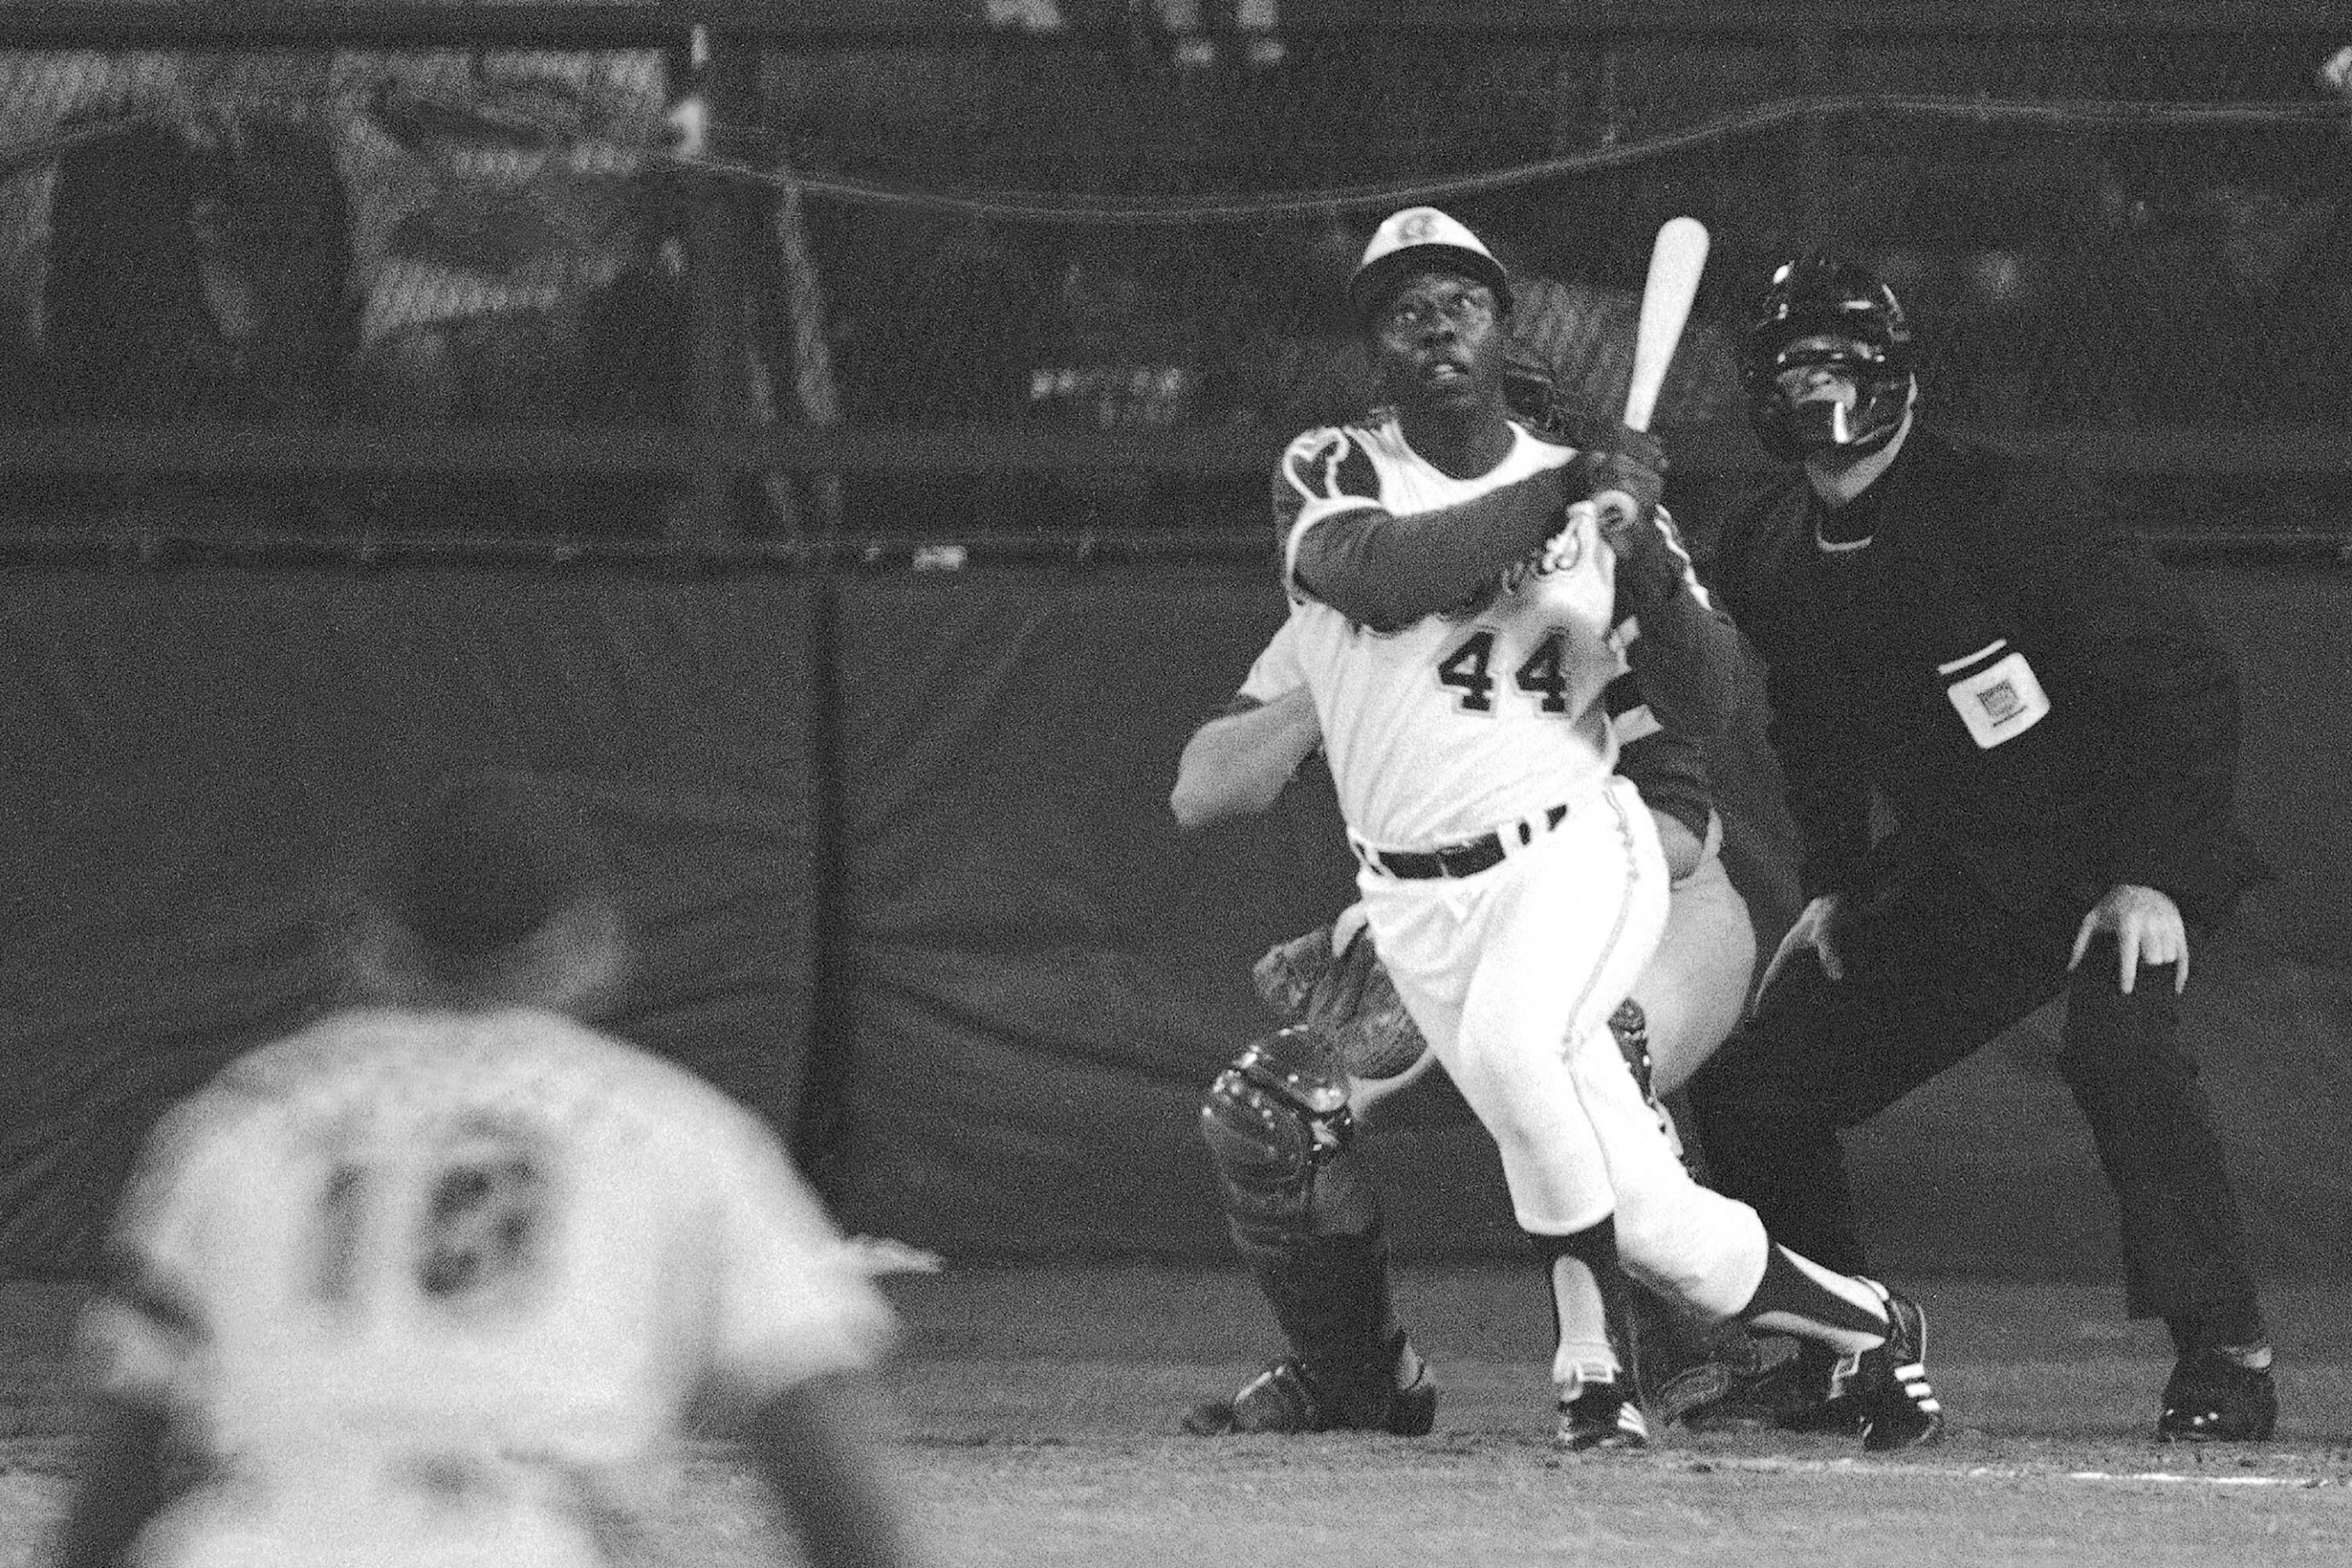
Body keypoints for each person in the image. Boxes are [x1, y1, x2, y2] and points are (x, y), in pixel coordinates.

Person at [1182, 203, 1943, 1453]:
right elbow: (1375, 586)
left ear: (1507, 334)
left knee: (1526, 1048)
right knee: (1648, 1215)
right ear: (1377, 357)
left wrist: (1641, 564)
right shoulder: (1340, 474)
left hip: (1585, 856)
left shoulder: (1603, 522)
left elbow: (1708, 717)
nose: (1441, 333)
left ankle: (1593, 1374)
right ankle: (1868, 1323)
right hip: (1423, 902)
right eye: (1407, 312)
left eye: (1465, 307)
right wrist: (1558, 496)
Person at [1686, 253, 2278, 1443]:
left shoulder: (2014, 507)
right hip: (1972, 867)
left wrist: (2153, 874)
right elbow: (1809, 721)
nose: (1816, 385)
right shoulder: (1761, 542)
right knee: (1756, 1083)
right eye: (1793, 363)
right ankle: (1833, 1348)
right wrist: (1840, 887)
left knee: (2121, 1048)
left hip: (2120, 841)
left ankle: (2229, 1353)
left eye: (1840, 361)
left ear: (1897, 376)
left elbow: (2186, 686)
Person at [56, 771, 931, 1568]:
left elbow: (122, 1461)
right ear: (592, 944)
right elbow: (827, 1455)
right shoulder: (678, 1129)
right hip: (519, 1535)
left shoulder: (234, 1122)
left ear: (367, 941)